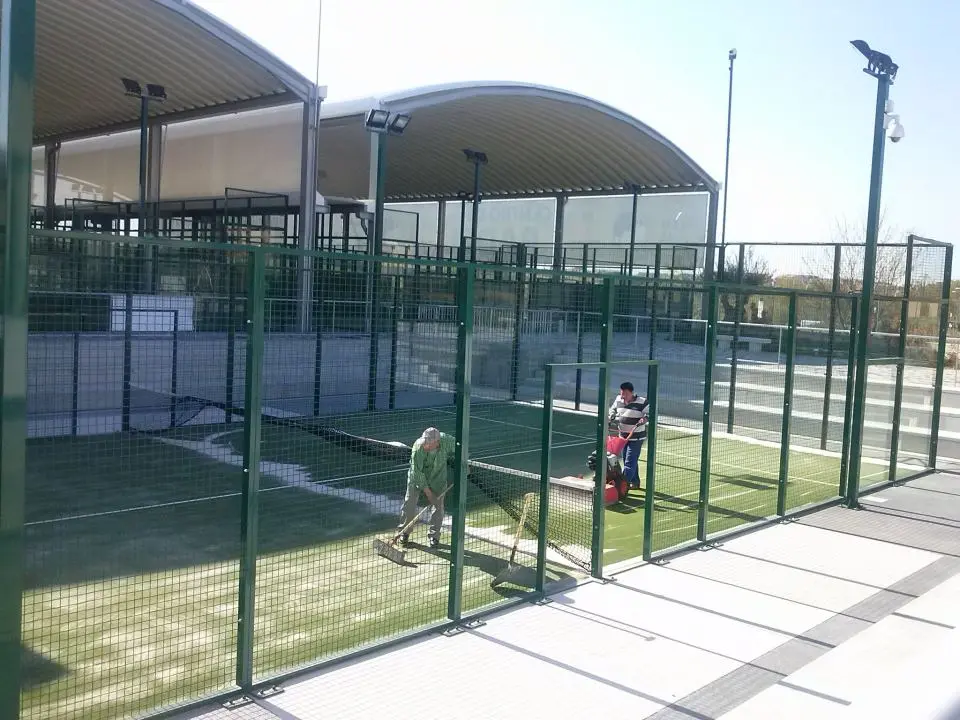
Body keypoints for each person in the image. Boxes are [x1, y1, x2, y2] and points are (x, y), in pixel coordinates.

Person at [398, 427, 457, 548]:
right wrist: (429, 494)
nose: (426, 445)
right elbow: (417, 472)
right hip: (416, 478)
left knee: (438, 507)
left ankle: (434, 536)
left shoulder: (447, 441)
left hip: (438, 478)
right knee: (409, 504)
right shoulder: (418, 447)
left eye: (429, 443)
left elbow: (461, 448)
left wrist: (465, 463)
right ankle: (404, 532)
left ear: (437, 442)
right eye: (425, 441)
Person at [607, 381, 649, 490]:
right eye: (621, 393)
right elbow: (612, 409)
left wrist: (644, 419)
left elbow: (650, 414)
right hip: (623, 437)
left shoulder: (642, 402)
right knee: (628, 459)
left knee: (629, 461)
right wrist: (611, 415)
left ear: (631, 393)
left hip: (637, 437)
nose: (623, 396)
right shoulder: (618, 399)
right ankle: (635, 482)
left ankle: (622, 486)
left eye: (625, 394)